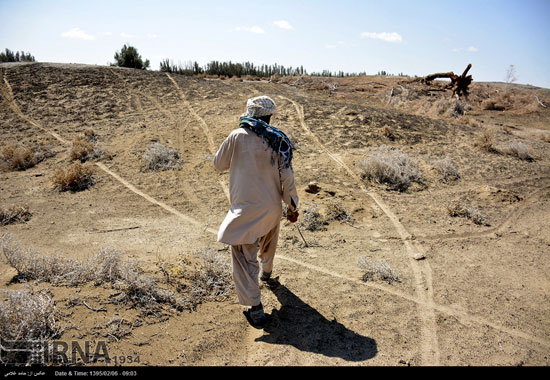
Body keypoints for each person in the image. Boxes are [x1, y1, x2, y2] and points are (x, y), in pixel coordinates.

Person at [213, 95, 299, 328]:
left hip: (245, 210)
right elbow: (287, 177)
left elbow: (218, 164)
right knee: (269, 240)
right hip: (272, 207)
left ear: (249, 114)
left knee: (243, 255)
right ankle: (267, 274)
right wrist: (292, 206)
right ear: (269, 117)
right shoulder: (278, 140)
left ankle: (255, 308)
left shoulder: (237, 136)